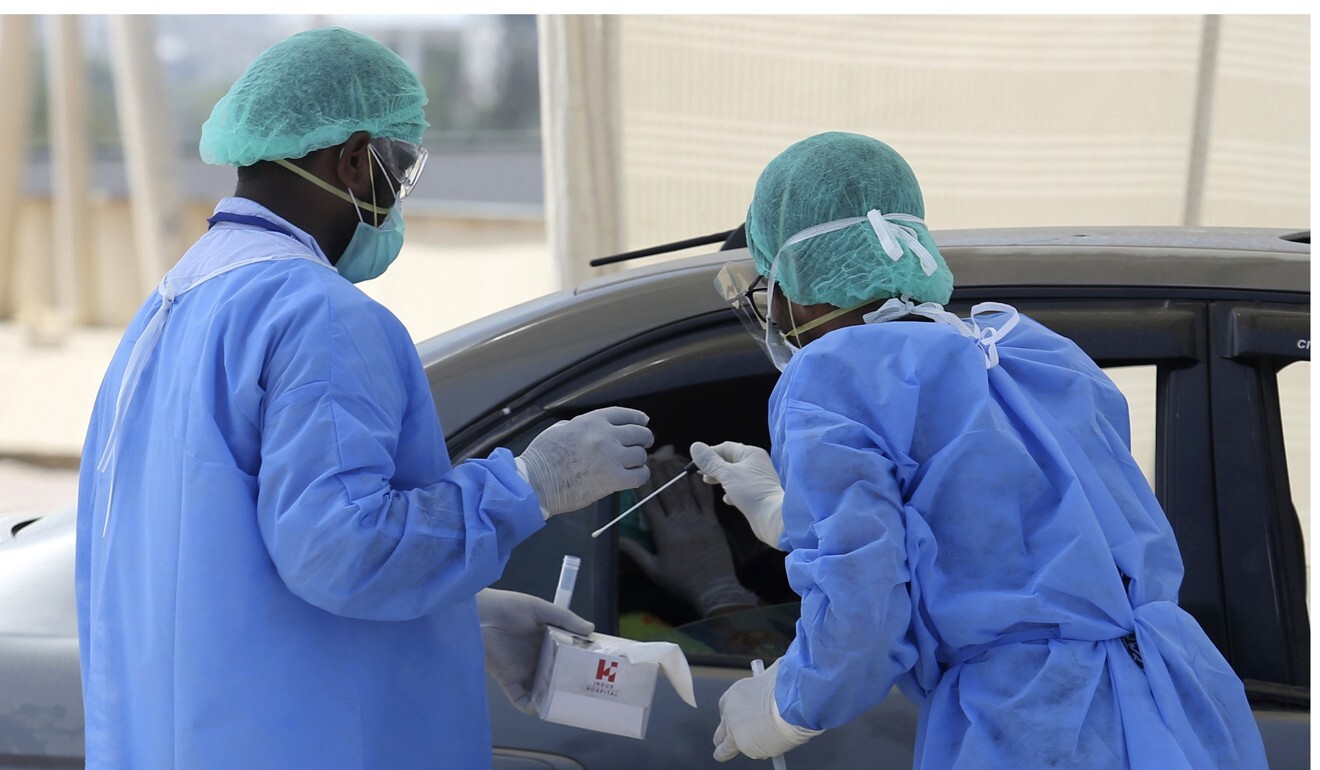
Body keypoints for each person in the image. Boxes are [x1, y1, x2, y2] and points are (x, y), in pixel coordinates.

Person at [75, 27, 653, 769]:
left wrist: (452, 619)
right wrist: (527, 486)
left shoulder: (174, 304)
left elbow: (211, 570)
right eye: (397, 168)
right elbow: (339, 551)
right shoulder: (317, 314)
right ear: (352, 158)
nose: (394, 202)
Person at [693, 131, 1268, 768]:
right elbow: (1013, 532)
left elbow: (865, 612)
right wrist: (784, 511)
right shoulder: (1030, 349)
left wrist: (783, 708)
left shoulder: (831, 375)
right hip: (1180, 701)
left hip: (1034, 726)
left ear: (791, 278)